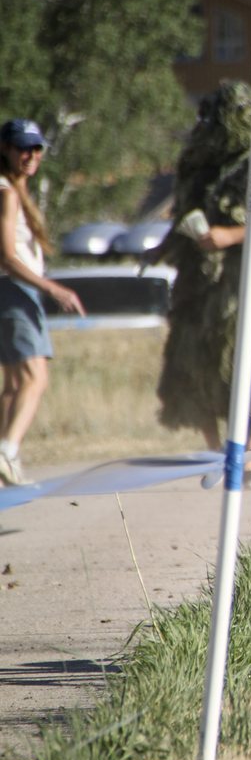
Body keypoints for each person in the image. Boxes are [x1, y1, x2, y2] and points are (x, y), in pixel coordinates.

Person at [145, 82, 251, 490]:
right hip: (198, 287)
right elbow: (182, 216)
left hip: (248, 290)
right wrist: (166, 247)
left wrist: (230, 235)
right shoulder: (197, 167)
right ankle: (214, 454)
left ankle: (248, 456)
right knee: (192, 368)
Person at [0, 119, 85, 485]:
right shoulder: (7, 193)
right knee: (36, 378)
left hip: (10, 292)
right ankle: (7, 450)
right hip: (14, 290)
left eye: (37, 149)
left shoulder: (12, 189)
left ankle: (6, 464)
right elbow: (7, 256)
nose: (31, 155)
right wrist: (52, 288)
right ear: (5, 148)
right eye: (23, 148)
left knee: (16, 382)